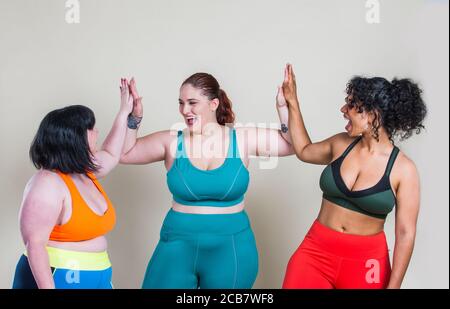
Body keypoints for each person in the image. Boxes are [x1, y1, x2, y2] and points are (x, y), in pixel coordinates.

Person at [121, 73, 294, 288]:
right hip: (177, 245)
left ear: (213, 104)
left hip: (231, 248)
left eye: (192, 103)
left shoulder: (242, 139)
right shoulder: (172, 141)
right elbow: (125, 153)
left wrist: (284, 109)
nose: (185, 110)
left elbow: (292, 145)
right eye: (181, 103)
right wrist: (132, 118)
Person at [281, 64, 427, 289]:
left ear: (372, 114)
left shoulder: (403, 169)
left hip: (366, 263)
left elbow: (405, 233)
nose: (343, 109)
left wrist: (394, 286)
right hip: (315, 253)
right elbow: (304, 150)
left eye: (351, 104)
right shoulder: (340, 143)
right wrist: (292, 101)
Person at [12, 79, 134, 289]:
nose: (97, 133)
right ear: (75, 138)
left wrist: (124, 112)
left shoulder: (85, 171)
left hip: (97, 275)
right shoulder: (47, 183)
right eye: (92, 129)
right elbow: (35, 244)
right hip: (60, 277)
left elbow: (112, 153)